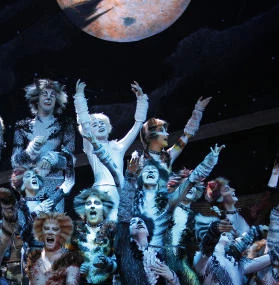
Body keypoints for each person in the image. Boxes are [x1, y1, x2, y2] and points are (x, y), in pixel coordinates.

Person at [73, 79, 148, 221]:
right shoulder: (91, 147)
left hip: (121, 192)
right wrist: (80, 98)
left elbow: (138, 125)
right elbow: (84, 126)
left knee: (123, 225)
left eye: (101, 123)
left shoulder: (118, 146)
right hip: (102, 191)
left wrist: (141, 100)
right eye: (95, 125)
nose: (99, 125)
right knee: (105, 225)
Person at [11, 79, 75, 213]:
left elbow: (70, 160)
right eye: (44, 94)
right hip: (31, 186)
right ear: (36, 98)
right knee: (32, 223)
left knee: (54, 224)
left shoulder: (65, 125)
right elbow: (15, 161)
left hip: (55, 185)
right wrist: (31, 150)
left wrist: (54, 158)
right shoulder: (22, 127)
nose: (48, 97)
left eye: (53, 95)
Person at [136, 97, 212, 184]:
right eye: (161, 131)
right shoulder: (138, 158)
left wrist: (198, 110)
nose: (167, 134)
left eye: (165, 131)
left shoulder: (168, 156)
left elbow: (186, 135)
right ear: (149, 135)